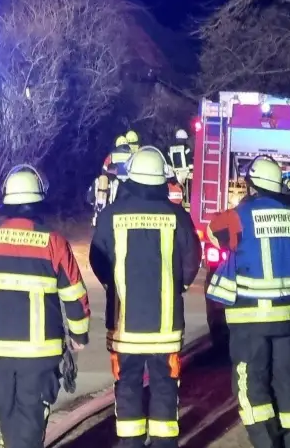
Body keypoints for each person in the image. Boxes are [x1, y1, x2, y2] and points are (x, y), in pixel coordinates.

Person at [0, 165, 90, 448]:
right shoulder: (54, 243)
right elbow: (74, 295)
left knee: (9, 420)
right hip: (39, 356)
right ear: (38, 203)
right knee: (29, 427)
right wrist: (79, 335)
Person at [90, 147, 201, 448]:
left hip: (124, 327)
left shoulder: (111, 215)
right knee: (165, 387)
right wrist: (178, 287)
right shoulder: (177, 216)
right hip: (165, 329)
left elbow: (98, 260)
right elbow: (192, 261)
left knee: (127, 386)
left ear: (130, 179)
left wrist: (113, 285)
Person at [205, 156, 290, 448]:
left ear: (252, 185)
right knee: (287, 384)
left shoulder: (241, 215)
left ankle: (266, 443)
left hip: (251, 319)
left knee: (251, 387)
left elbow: (213, 233)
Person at [166, 128, 193, 201]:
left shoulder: (170, 149)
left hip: (175, 174)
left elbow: (168, 161)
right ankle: (188, 199)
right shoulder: (186, 148)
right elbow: (190, 159)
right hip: (186, 173)